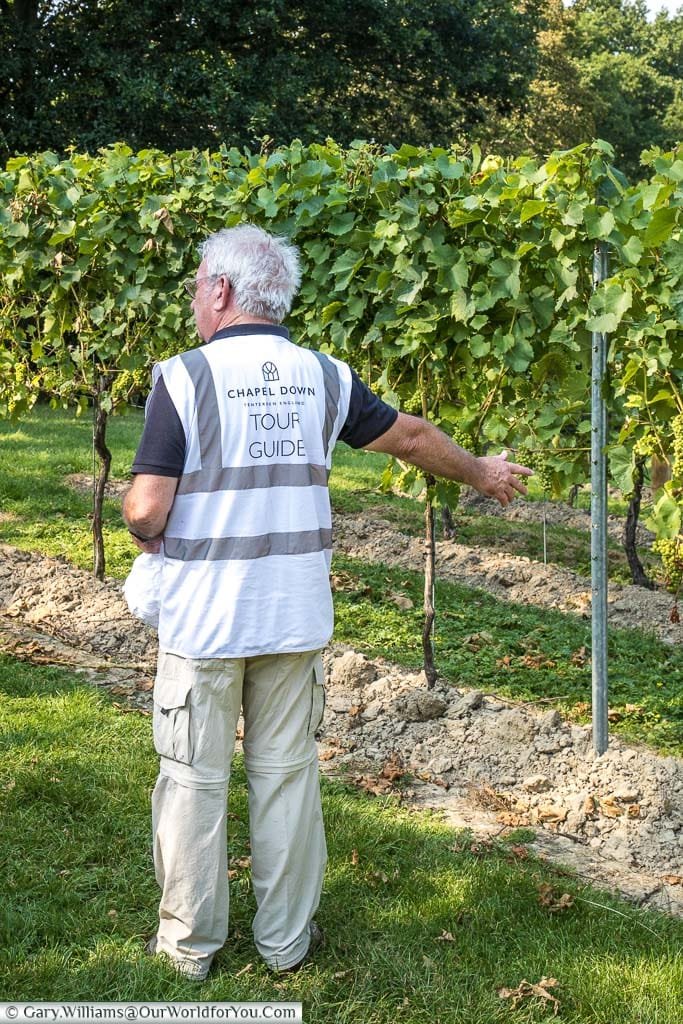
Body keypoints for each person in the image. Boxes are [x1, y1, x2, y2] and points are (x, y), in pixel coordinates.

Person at [123, 223, 532, 981]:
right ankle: (285, 945)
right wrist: (479, 471)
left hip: (206, 621)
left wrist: (136, 520)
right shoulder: (323, 375)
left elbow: (148, 509)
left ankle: (189, 950)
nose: (193, 300)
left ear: (220, 291)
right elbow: (408, 437)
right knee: (285, 777)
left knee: (193, 782)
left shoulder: (183, 378)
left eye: (195, 287)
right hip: (293, 612)